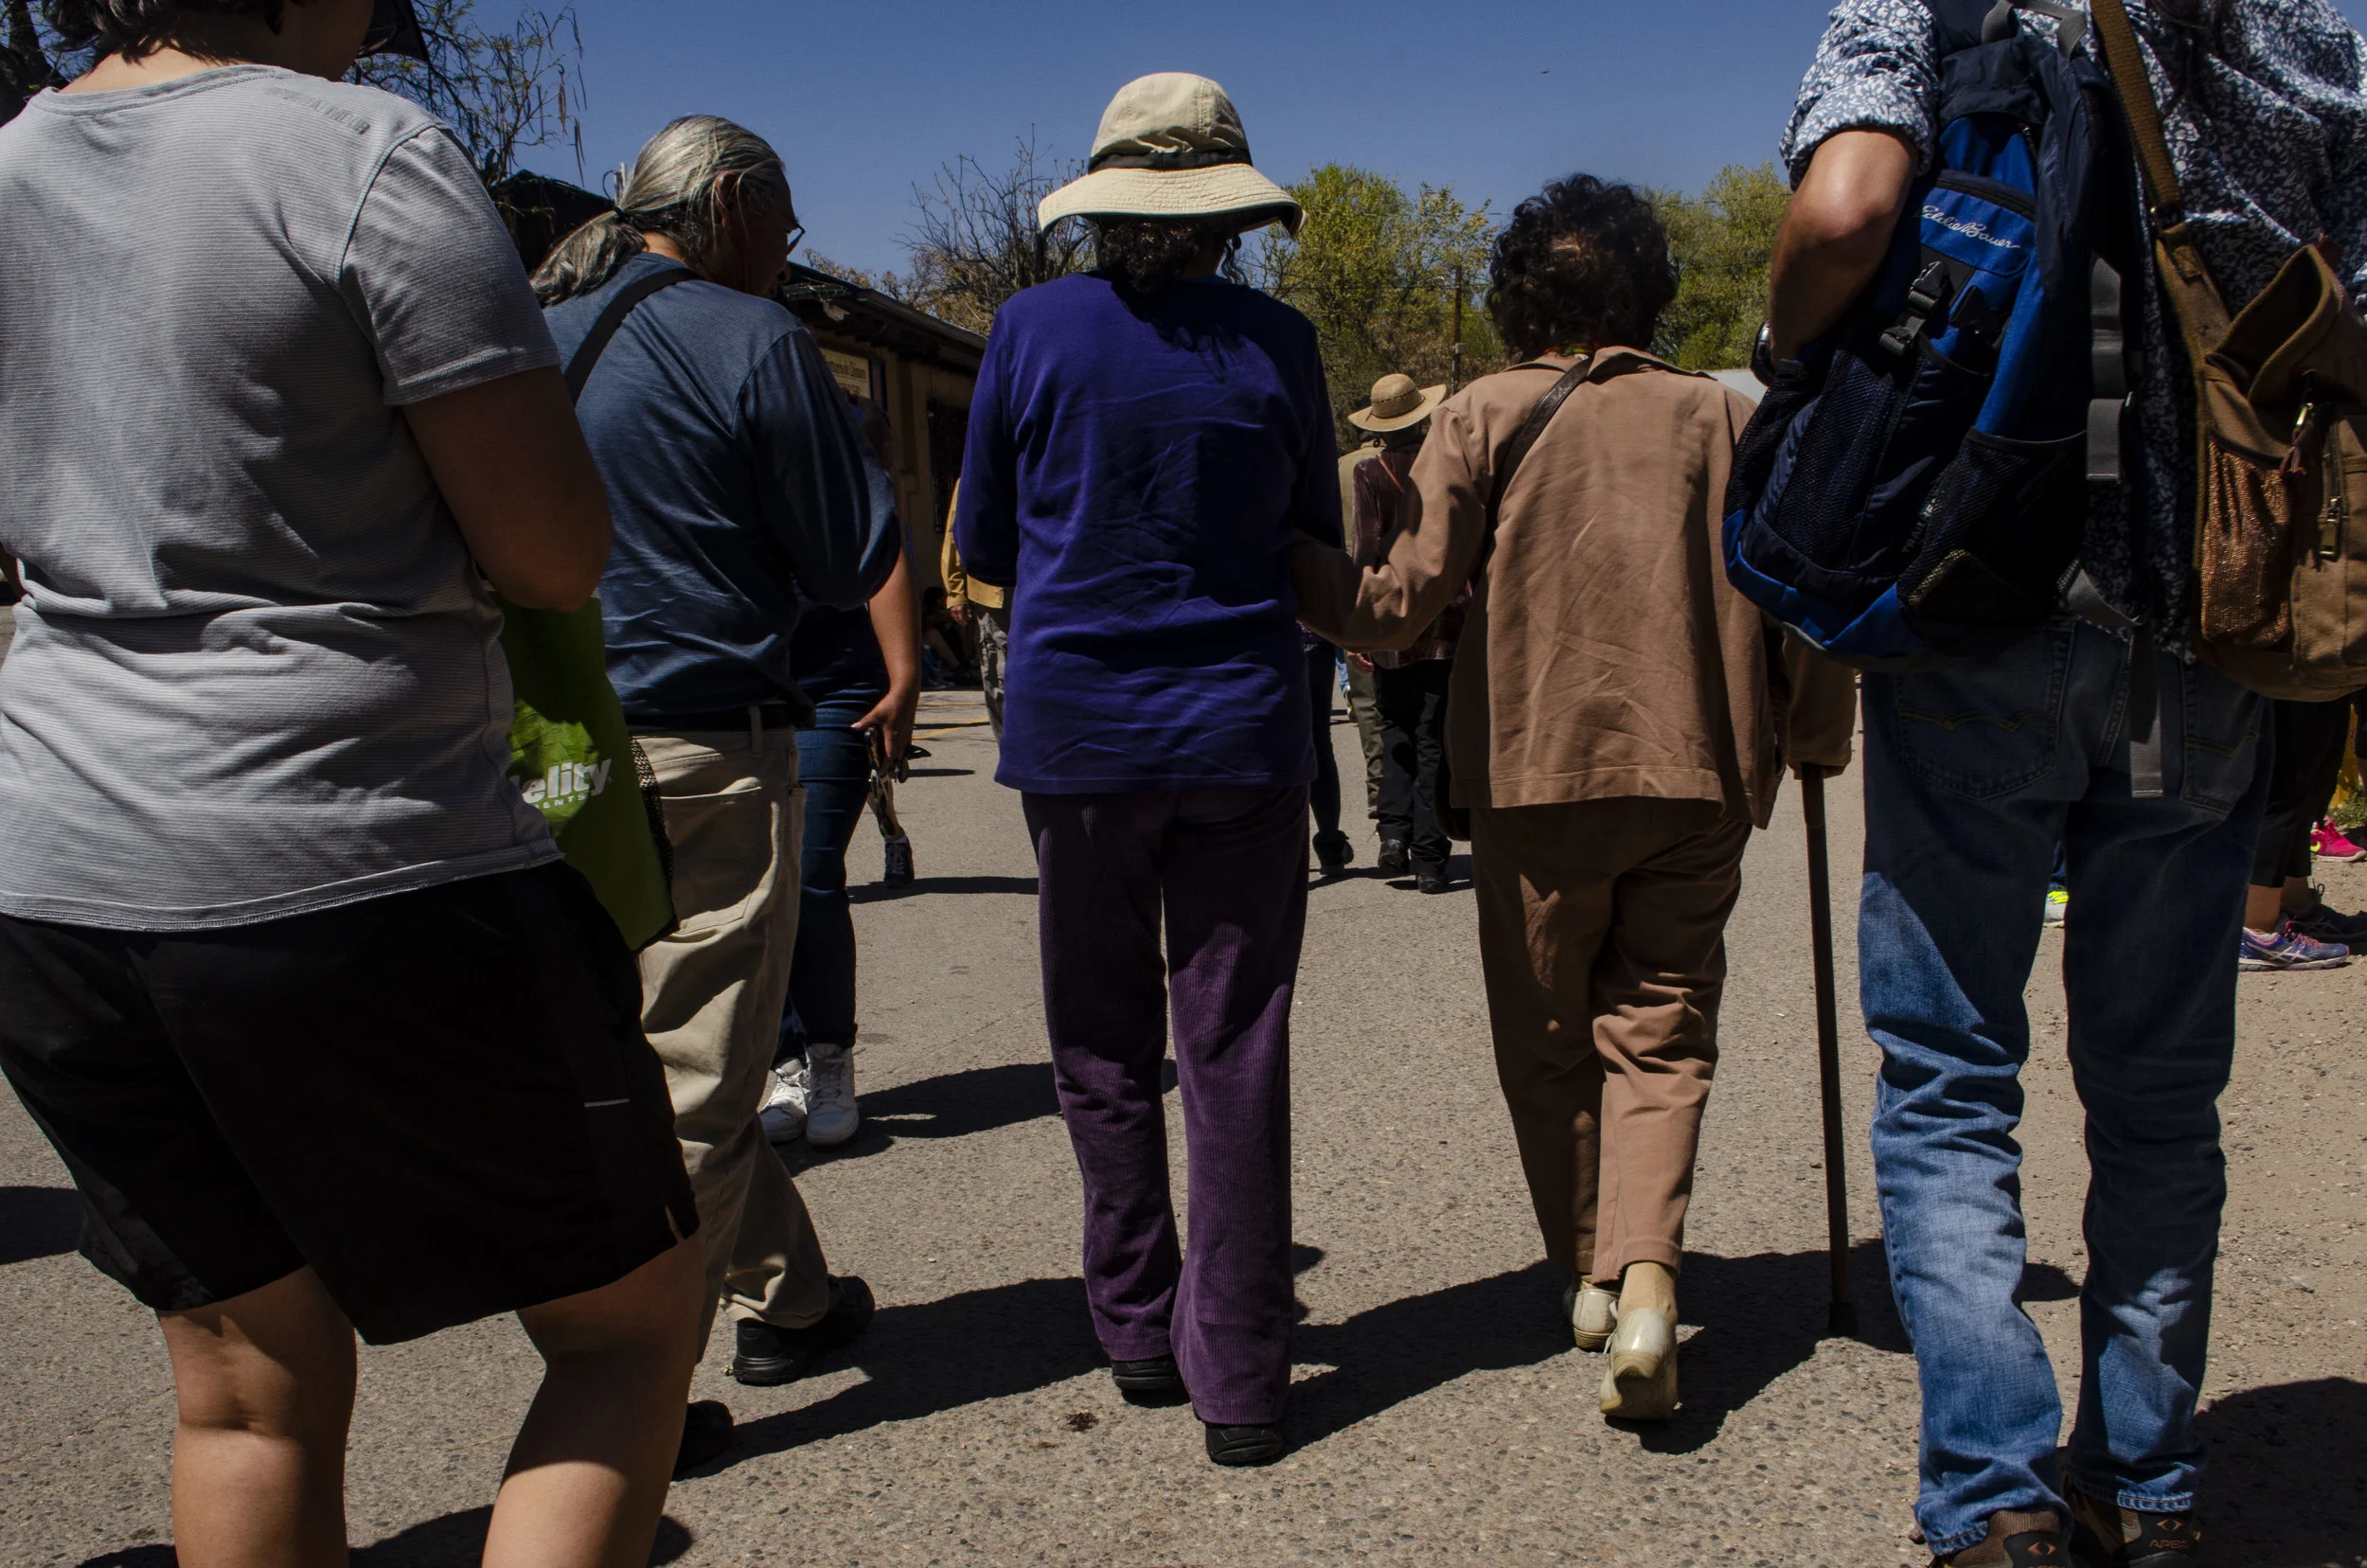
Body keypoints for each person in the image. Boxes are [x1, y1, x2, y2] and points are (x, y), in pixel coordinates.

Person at [0, 2, 708, 1562]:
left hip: (58, 873)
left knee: (245, 1392)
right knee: (628, 1326)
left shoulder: (14, 167)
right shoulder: (361, 155)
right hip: (359, 845)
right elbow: (551, 551)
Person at [1771, 0, 2367, 1559]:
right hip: (2200, 635)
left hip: (1983, 615)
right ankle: (2143, 1484)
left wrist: (1788, 350)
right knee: (2161, 1094)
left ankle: (1995, 1498)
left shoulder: (1934, 7)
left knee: (1952, 1073)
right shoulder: (2309, 40)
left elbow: (1845, 210)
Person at [1295, 175, 1857, 1424]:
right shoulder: (1728, 415)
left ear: (1521, 296)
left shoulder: (1482, 414)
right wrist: (1817, 735)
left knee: (1548, 1034)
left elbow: (1399, 603)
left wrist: (1288, 568)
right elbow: (1803, 594)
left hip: (1535, 773)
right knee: (1661, 1024)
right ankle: (1649, 1281)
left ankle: (1593, 1272)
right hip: (1699, 768)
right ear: (1649, 287)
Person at [955, 71, 1335, 1469]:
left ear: (1102, 209)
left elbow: (984, 544)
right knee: (1232, 1046)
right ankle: (1241, 1373)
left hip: (1081, 740)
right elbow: (1314, 539)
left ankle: (1131, 1322)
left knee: (1101, 1038)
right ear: (1229, 219)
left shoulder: (1028, 331)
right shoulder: (1281, 343)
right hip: (1243, 729)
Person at [535, 115, 899, 1471]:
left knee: (629, 1060)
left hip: (552, 747)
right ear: (732, 202)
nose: (789, 250)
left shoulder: (537, 334)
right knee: (698, 1074)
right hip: (705, 743)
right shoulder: (755, 339)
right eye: (784, 223)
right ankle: (629, 1399)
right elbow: (845, 556)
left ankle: (791, 1298)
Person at [757, 400, 922, 1150]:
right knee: (760, 881)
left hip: (838, 690)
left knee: (810, 870)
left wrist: (903, 681)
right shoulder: (741, 464)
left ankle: (828, 1056)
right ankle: (783, 1062)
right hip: (749, 685)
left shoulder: (854, 479)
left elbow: (888, 565)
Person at [1344, 372, 1454, 892]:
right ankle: (1431, 858)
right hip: (1446, 616)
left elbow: (1364, 549)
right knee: (1433, 736)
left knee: (1394, 727)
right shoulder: (1446, 465)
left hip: (1392, 615)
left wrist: (1359, 630)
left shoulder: (1369, 471)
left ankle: (1393, 834)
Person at [2239, 696, 2362, 969]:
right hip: (2284, 677)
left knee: (2313, 777)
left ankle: (2296, 905)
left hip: (2323, 680)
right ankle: (2256, 930)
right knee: (2285, 780)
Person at [1335, 435, 1388, 817]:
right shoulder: (1407, 460)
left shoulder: (1340, 465)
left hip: (1350, 581)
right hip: (1400, 577)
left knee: (1366, 698)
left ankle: (1378, 787)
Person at [941, 489, 1013, 738]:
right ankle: (1007, 746)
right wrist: (956, 592)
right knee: (999, 673)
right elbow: (956, 531)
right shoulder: (974, 474)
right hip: (994, 591)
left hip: (1042, 583)